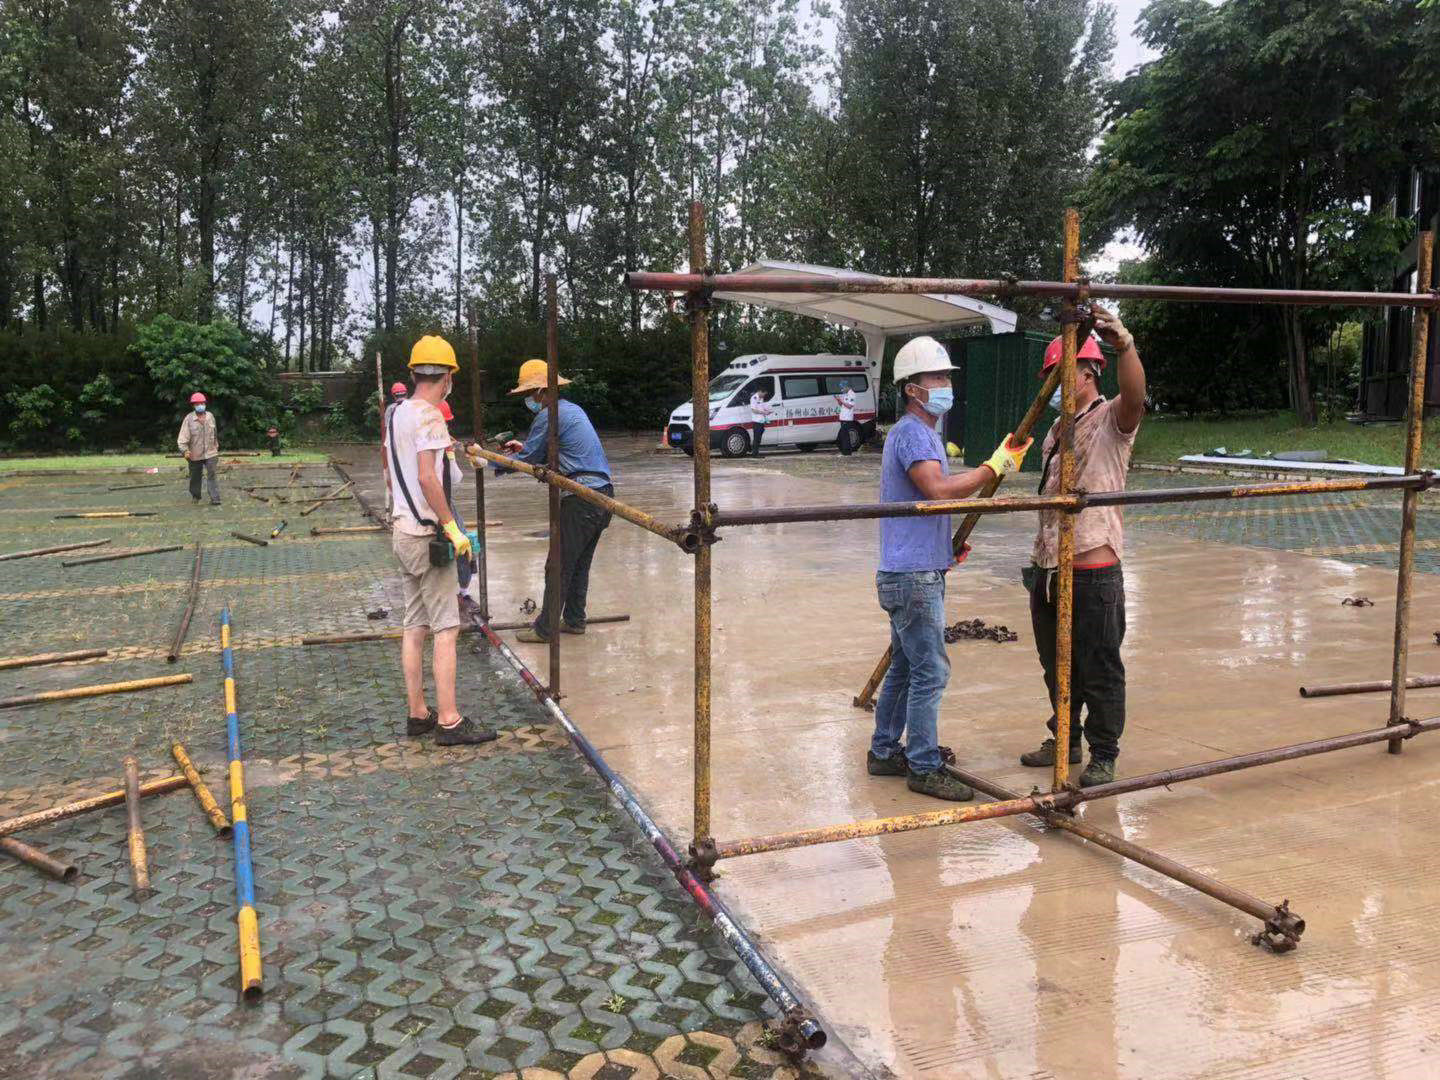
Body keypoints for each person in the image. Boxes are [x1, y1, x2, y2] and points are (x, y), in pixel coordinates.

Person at [869, 335, 1032, 801]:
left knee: (905, 666)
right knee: (931, 672)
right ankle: (922, 765)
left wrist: (944, 548)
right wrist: (992, 467)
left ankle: (884, 751)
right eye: (935, 378)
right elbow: (938, 492)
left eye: (945, 377)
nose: (944, 385)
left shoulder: (925, 435)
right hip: (912, 577)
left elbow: (922, 505)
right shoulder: (912, 434)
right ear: (911, 389)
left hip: (915, 568)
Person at [1019, 306, 1146, 787]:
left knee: (1100, 668)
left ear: (1089, 370)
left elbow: (1136, 396)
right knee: (1057, 667)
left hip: (1093, 571)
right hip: (1049, 570)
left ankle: (1104, 752)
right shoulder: (1056, 431)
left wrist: (1124, 345)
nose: (1054, 382)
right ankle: (1066, 737)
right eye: (1050, 375)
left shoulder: (1111, 419)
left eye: (1062, 370)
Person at [387, 335, 494, 746]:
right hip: (429, 538)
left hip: (402, 532)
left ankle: (418, 713)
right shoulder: (431, 416)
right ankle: (449, 720)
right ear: (447, 376)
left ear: (415, 372)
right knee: (445, 629)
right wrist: (452, 527)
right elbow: (429, 478)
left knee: (414, 625)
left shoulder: (396, 412)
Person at [482, 359, 612, 644]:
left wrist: (489, 461)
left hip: (581, 498)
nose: (529, 400)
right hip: (602, 497)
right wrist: (522, 449)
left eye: (530, 394)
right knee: (578, 564)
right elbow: (544, 452)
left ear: (541, 391)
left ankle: (545, 630)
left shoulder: (548, 414)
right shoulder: (571, 410)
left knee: (558, 565)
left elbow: (528, 459)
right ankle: (575, 620)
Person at [178, 392, 222, 505]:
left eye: (202, 403)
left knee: (212, 473)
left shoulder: (210, 416)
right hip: (194, 454)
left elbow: (215, 432)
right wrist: (184, 450)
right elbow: (182, 437)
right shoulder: (189, 419)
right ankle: (196, 496)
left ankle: (215, 498)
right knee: (195, 477)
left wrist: (216, 443)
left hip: (211, 452)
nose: (200, 405)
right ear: (193, 405)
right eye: (198, 404)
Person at [381, 380, 409, 515]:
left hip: (395, 448)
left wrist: (384, 450)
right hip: (410, 447)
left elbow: (386, 431)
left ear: (393, 395)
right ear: (406, 393)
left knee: (397, 477)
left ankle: (399, 506)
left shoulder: (390, 409)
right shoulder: (413, 406)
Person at [748, 386, 774, 456]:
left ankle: (756, 452)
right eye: (764, 394)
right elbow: (753, 410)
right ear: (760, 391)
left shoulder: (761, 398)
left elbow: (761, 407)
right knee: (757, 437)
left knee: (759, 437)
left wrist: (768, 410)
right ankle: (755, 453)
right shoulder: (754, 398)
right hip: (756, 421)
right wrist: (763, 412)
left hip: (761, 420)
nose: (764, 395)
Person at [835, 381, 859, 454]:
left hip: (847, 418)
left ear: (847, 387)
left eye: (842, 387)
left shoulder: (852, 394)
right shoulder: (845, 394)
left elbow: (850, 406)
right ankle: (846, 451)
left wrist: (842, 401)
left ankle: (847, 452)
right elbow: (842, 405)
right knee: (844, 435)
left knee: (845, 435)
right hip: (843, 417)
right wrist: (838, 400)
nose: (842, 389)